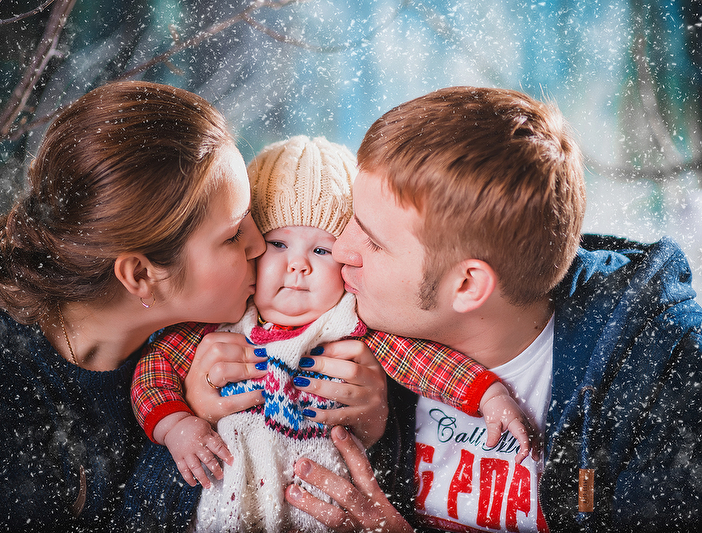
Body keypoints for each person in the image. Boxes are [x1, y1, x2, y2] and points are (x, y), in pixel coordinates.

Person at [0, 81, 381, 532]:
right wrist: (187, 423)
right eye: (234, 234)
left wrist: (372, 423)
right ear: (140, 275)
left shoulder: (218, 333)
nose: (260, 245)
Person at [281, 87, 702, 532]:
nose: (340, 249)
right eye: (352, 216)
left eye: (373, 241)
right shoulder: (348, 318)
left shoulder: (665, 375)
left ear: (468, 285)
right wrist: (373, 434)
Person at [130, 136, 535, 533]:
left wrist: (488, 394)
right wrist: (176, 425)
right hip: (227, 502)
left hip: (317, 509)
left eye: (321, 250)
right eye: (278, 244)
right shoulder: (225, 320)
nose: (298, 265)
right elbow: (154, 367)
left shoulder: (349, 324)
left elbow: (421, 361)